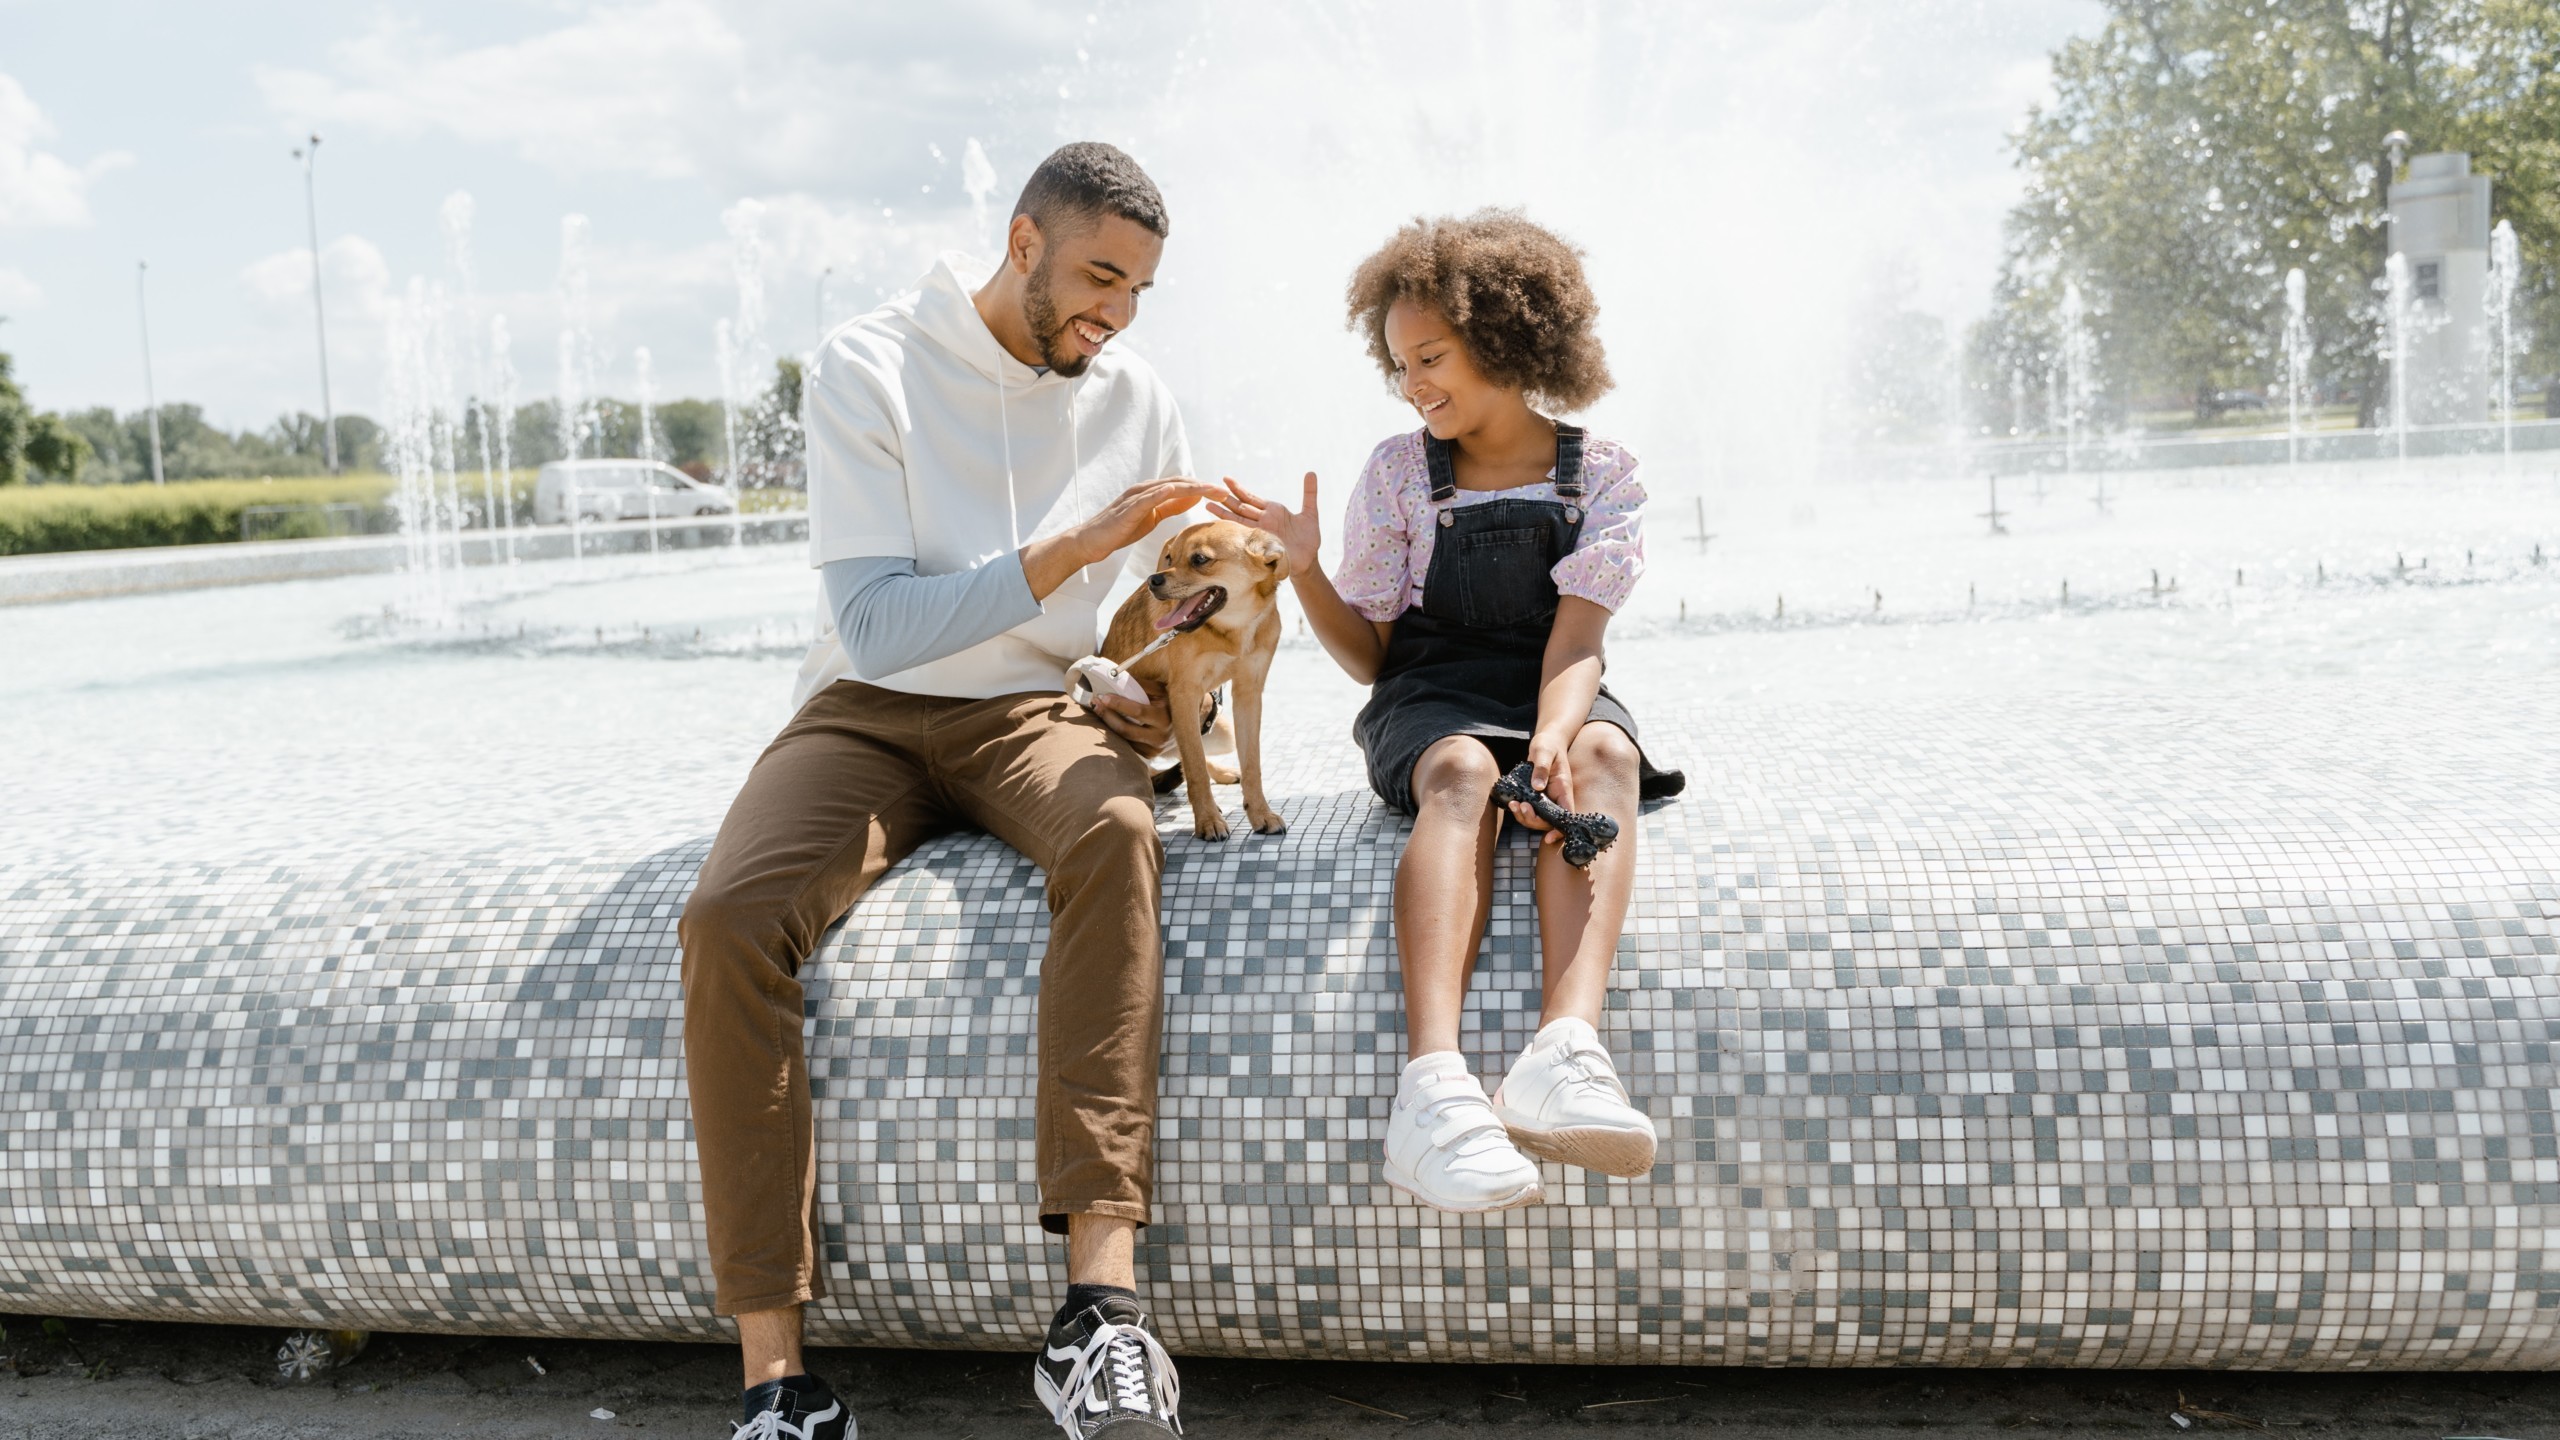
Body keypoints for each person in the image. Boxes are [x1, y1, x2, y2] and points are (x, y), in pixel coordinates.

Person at [681, 142, 1218, 1440]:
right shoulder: (872, 366)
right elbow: (875, 626)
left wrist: (1156, 683)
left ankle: (1098, 1321)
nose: (1118, 313)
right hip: (866, 718)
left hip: (1046, 709)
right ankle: (778, 1388)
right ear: (1022, 244)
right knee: (730, 921)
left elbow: (1163, 602)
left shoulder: (1134, 392)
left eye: (1140, 289)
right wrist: (1069, 553)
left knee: (1112, 832)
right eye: (1100, 276)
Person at [1213, 209, 1683, 1215]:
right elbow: (1368, 657)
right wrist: (1303, 573)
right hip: (1428, 692)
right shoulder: (1396, 473)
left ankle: (1566, 1048)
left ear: (1509, 338)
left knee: (1606, 750)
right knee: (1466, 771)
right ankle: (1430, 1088)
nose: (1412, 383)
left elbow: (1578, 641)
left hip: (1551, 676)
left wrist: (1554, 736)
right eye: (1397, 367)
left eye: (1430, 357)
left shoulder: (1602, 476)